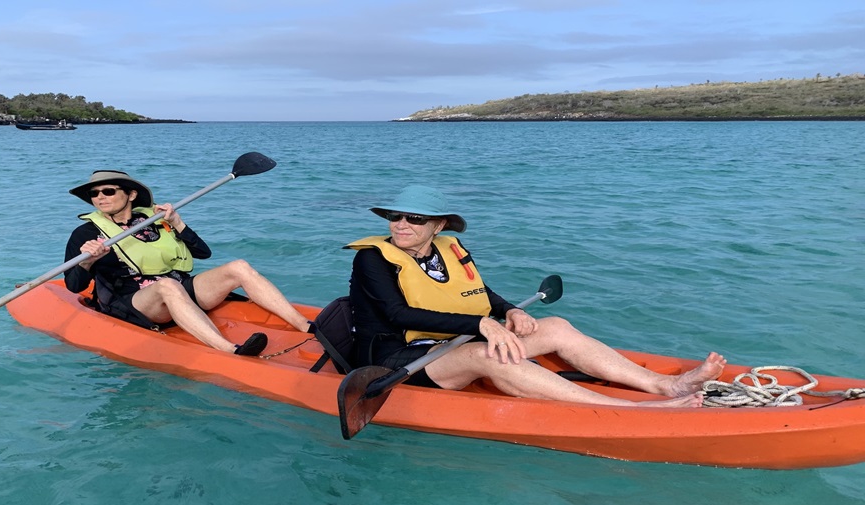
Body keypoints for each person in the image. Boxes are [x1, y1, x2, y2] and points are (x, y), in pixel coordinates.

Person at [346, 184, 726, 407]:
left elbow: (476, 291)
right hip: (394, 360)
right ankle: (622, 409)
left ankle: (664, 385)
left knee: (556, 326)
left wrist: (509, 311)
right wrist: (481, 326)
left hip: (452, 340)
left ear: (439, 225)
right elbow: (397, 315)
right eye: (396, 216)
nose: (402, 224)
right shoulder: (372, 260)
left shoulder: (449, 249)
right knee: (486, 352)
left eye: (415, 219)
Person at [64, 169, 312, 356]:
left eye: (108, 191)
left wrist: (178, 223)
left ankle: (306, 326)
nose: (100, 198)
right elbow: (74, 286)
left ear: (131, 194)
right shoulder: (86, 234)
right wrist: (87, 262)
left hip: (180, 288)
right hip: (137, 303)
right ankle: (229, 349)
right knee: (168, 287)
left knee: (239, 267)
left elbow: (204, 253)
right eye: (94, 194)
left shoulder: (154, 219)